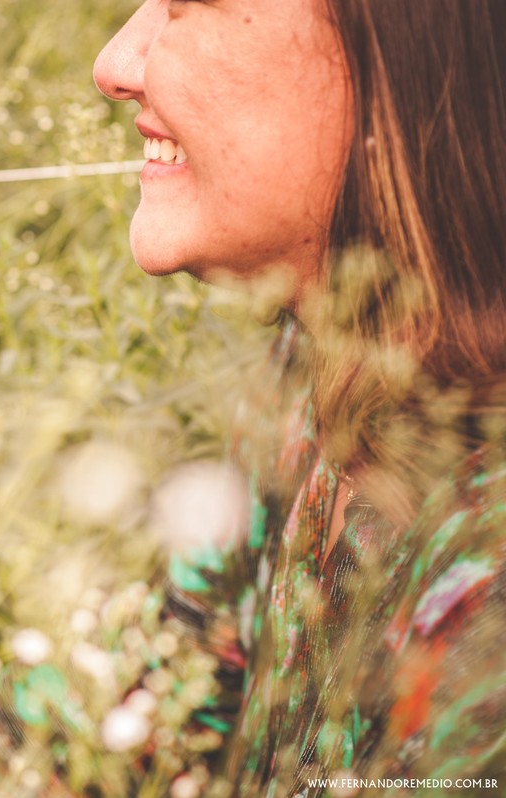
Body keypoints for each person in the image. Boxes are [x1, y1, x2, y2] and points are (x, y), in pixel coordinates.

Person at [94, 0, 506, 794]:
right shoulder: (322, 355)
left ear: (398, 56)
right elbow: (180, 681)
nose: (114, 64)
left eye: (189, 5)